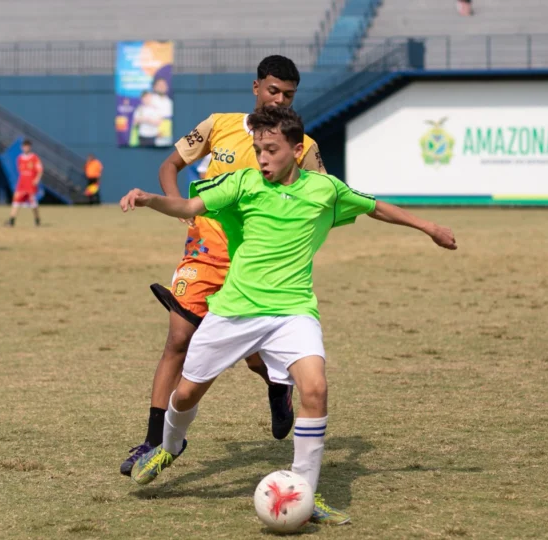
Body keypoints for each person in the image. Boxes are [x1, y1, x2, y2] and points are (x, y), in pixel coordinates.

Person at [121, 106, 457, 525]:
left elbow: (375, 208)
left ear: (297, 151)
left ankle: (304, 492)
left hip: (293, 312)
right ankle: (169, 446)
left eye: (271, 150)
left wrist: (429, 227)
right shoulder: (242, 183)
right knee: (186, 395)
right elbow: (190, 207)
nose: (261, 159)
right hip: (235, 310)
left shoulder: (324, 190)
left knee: (315, 390)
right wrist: (150, 199)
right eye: (259, 149)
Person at [119, 55, 326, 477]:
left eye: (288, 94)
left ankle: (275, 382)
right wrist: (179, 207)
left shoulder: (301, 145)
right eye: (273, 91)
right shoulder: (218, 124)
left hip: (257, 263)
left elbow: (321, 196)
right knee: (178, 340)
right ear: (255, 88)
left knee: (252, 353)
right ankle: (154, 441)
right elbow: (169, 164)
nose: (278, 99)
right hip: (205, 251)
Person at [5, 139, 43, 227]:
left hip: (30, 184)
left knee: (33, 204)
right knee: (16, 202)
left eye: (28, 146)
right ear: (22, 147)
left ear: (30, 147)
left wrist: (37, 179)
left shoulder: (34, 157)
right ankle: (11, 220)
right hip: (21, 184)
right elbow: (20, 170)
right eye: (25, 146)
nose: (26, 148)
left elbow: (40, 170)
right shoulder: (20, 158)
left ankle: (37, 219)